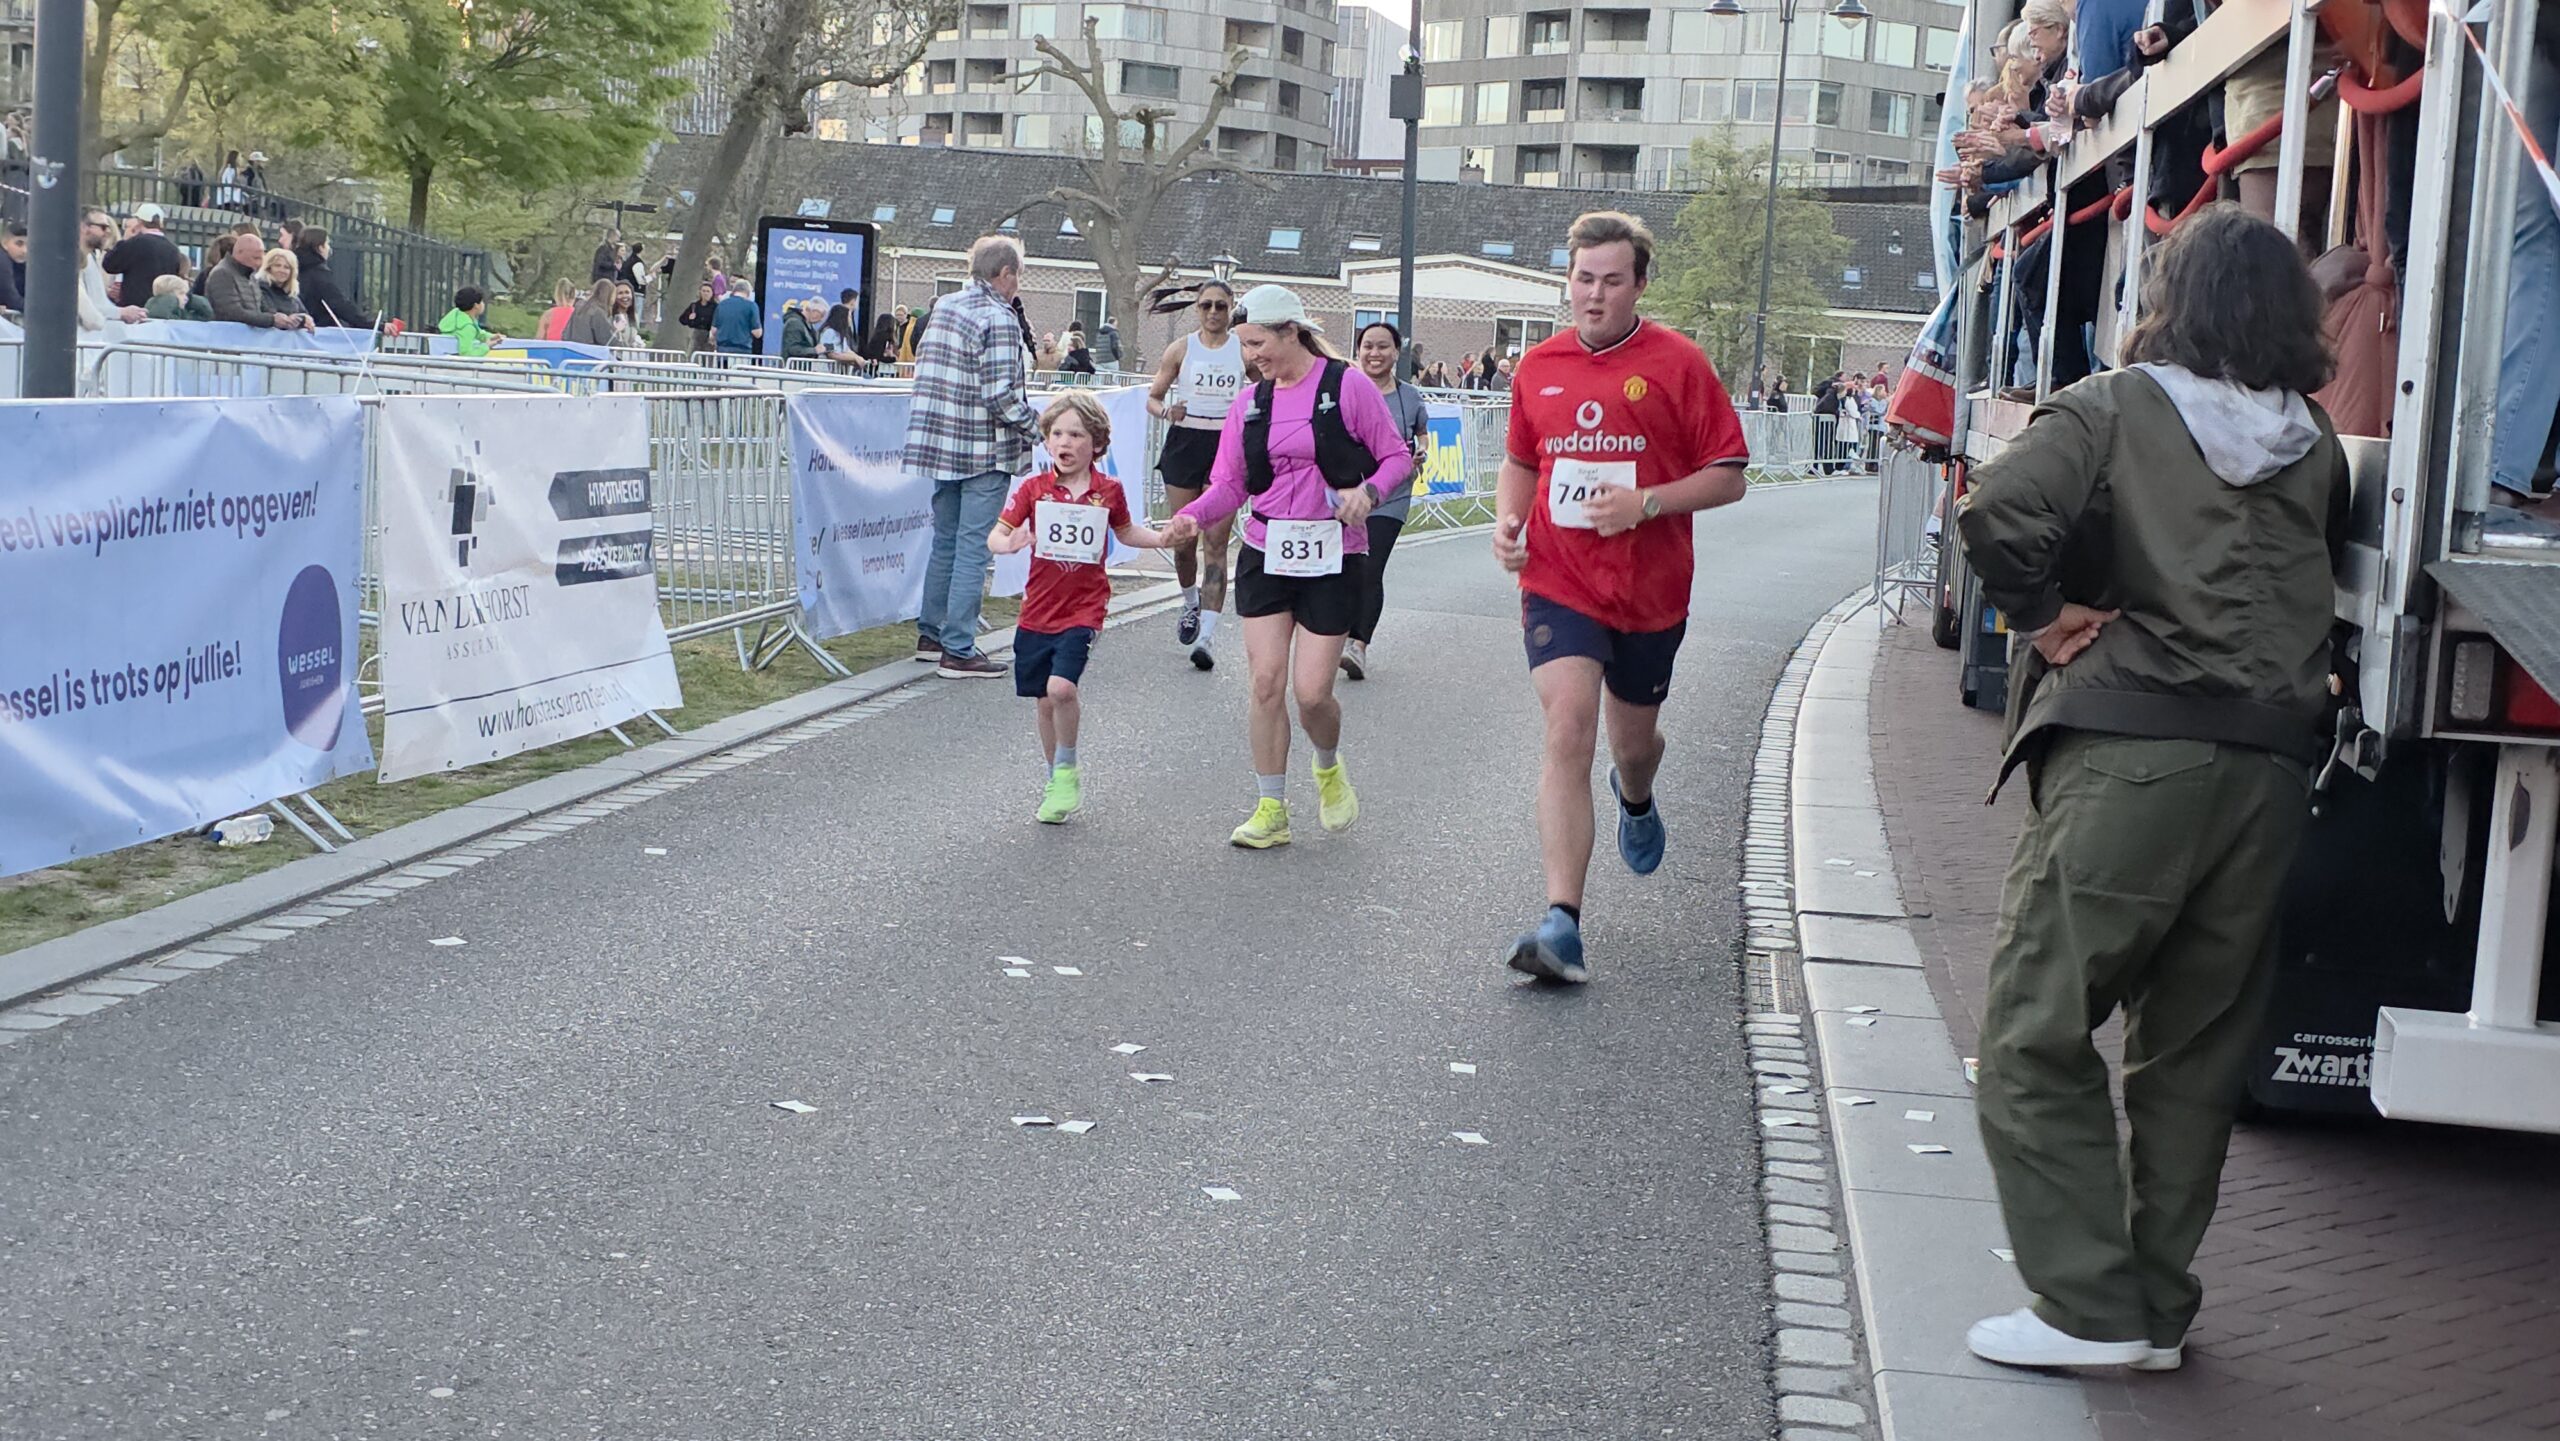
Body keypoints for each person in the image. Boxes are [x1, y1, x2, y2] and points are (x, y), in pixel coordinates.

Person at [1951, 205, 2347, 1373]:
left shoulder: (2112, 407)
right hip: (2268, 771)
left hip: (2132, 753)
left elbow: (1994, 511)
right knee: (2194, 1054)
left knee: (2033, 1029)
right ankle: (2156, 1306)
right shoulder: (2315, 444)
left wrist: (2041, 616)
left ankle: (2087, 1305)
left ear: (2172, 300)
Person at [1491, 211, 1750, 983]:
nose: (1594, 295)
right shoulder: (1539, 365)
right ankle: (1561, 923)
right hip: (1559, 579)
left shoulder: (1679, 364)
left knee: (1632, 746)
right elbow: (1522, 462)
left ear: (1639, 284)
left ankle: (1635, 793)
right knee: (1568, 726)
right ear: (1567, 281)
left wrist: (1647, 503)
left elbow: (1730, 476)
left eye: (1611, 281)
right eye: (1583, 279)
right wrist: (1508, 524)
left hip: (1649, 589)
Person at [1160, 284, 1415, 849]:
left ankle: (1327, 765)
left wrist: (1369, 494)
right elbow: (1229, 484)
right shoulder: (1250, 403)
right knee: (1266, 682)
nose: (1252, 357)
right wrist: (1190, 518)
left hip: (1334, 552)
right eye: (1245, 347)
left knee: (1312, 694)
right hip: (1267, 549)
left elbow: (1397, 457)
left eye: (1258, 344)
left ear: (1292, 332)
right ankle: (1270, 808)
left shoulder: (1346, 385)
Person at [987, 392, 1175, 823]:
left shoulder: (1108, 491)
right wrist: (1009, 543)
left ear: (1097, 443)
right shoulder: (1034, 489)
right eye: (1057, 434)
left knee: (1061, 689)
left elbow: (1126, 532)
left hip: (1084, 608)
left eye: (1075, 435)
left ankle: (1068, 767)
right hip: (1038, 609)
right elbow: (996, 535)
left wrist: (1163, 539)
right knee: (1043, 700)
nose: (1064, 443)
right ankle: (1056, 779)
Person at [903, 235, 1041, 679]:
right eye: (1018, 276)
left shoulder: (945, 306)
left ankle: (931, 634)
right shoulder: (999, 317)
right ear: (1006, 273)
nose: (1018, 285)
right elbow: (1000, 394)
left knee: (945, 540)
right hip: (984, 447)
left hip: (940, 442)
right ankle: (959, 647)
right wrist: (1038, 428)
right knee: (973, 547)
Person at [1146, 279, 1246, 669]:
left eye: (1221, 305)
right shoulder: (1181, 349)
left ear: (1231, 307)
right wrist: (1167, 412)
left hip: (1226, 447)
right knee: (1184, 539)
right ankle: (1190, 603)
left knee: (1216, 543)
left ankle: (1207, 636)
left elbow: (1270, 389)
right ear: (1197, 309)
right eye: (1206, 305)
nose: (1214, 312)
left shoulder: (1243, 350)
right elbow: (1153, 398)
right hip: (1186, 443)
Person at [1343, 320, 1433, 681]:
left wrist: (1421, 452)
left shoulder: (1409, 397)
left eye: (1383, 346)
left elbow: (1422, 433)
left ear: (1397, 352)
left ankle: (1358, 646)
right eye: (1368, 346)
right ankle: (1335, 634)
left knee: (1371, 567)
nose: (1375, 353)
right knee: (1344, 570)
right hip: (1347, 494)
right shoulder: (1343, 388)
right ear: (1358, 351)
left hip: (1391, 495)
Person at [204, 231, 302, 330]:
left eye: (262, 257)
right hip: (228, 335)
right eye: (255, 258)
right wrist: (271, 319)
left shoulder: (251, 274)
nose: (260, 263)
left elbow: (261, 308)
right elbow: (231, 312)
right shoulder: (222, 273)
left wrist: (291, 319)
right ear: (239, 252)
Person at [102, 202, 184, 308]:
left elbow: (109, 265)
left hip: (134, 307)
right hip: (161, 306)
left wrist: (125, 240)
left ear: (139, 222)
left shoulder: (135, 243)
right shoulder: (173, 249)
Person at [77, 209, 147, 328]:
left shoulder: (89, 258)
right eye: (103, 227)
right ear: (84, 227)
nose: (108, 232)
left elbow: (98, 303)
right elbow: (91, 308)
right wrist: (120, 313)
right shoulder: (78, 260)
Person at [293, 229, 372, 330]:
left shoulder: (294, 268)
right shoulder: (319, 273)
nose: (329, 248)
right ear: (320, 247)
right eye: (327, 244)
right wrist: (368, 323)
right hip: (318, 329)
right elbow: (338, 304)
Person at [438, 285, 506, 357]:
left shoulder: (460, 316)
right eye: (482, 301)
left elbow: (478, 333)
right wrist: (486, 346)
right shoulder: (467, 327)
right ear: (476, 305)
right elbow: (467, 354)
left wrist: (491, 336)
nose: (484, 304)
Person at [256, 246, 308, 321]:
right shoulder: (260, 288)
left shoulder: (292, 295)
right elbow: (269, 312)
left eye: (287, 267)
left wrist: (305, 319)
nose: (282, 270)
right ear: (268, 268)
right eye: (277, 266)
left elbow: (304, 314)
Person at [711, 284, 762, 356]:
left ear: (733, 291)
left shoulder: (722, 304)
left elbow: (713, 330)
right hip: (742, 350)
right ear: (748, 292)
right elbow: (757, 333)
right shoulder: (751, 306)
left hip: (722, 350)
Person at [144, 273, 212, 321]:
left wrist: (192, 299)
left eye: (186, 294)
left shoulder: (182, 313)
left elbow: (206, 316)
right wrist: (170, 299)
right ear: (169, 295)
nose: (186, 298)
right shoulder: (157, 311)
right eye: (181, 293)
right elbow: (160, 314)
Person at [779, 295, 821, 360]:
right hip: (793, 364)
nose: (821, 320)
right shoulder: (794, 323)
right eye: (821, 315)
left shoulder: (809, 326)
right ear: (813, 311)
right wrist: (814, 350)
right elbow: (792, 349)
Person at [679, 282, 717, 352]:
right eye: (703, 291)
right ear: (700, 292)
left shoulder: (715, 307)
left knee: (707, 356)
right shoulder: (694, 306)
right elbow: (682, 319)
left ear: (712, 293)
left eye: (708, 291)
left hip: (709, 334)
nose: (705, 293)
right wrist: (689, 318)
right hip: (695, 333)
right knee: (693, 354)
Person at [0, 223, 27, 316]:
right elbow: (12, 299)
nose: (25, 251)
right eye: (19, 244)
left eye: (30, 245)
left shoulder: (21, 264)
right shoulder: (2, 261)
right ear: (4, 243)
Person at [608, 282, 643, 348]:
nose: (624, 296)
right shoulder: (609, 316)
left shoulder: (635, 316)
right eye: (620, 293)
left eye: (627, 292)